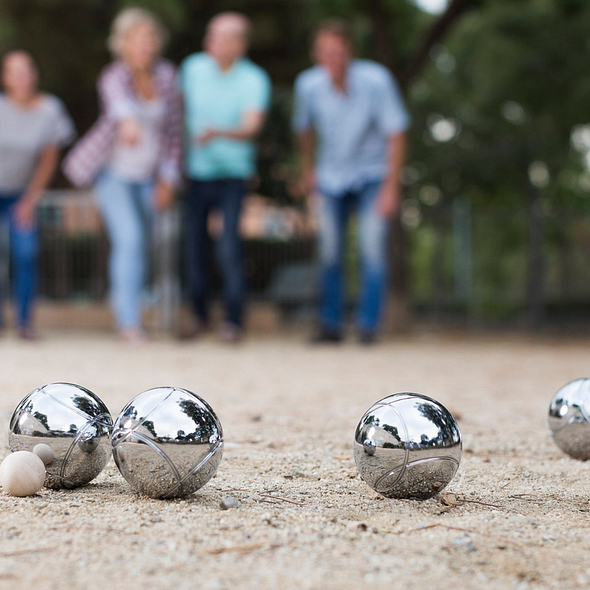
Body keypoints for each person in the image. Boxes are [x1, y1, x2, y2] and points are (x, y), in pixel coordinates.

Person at [64, 8, 182, 343]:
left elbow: (174, 133)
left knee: (145, 244)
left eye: (150, 38)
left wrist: (168, 178)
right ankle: (128, 323)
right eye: (139, 39)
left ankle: (134, 309)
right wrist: (129, 121)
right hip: (113, 173)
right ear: (124, 44)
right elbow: (119, 105)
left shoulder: (168, 76)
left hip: (149, 175)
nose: (146, 45)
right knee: (128, 239)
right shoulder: (113, 75)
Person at [293, 20, 410, 344]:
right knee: (330, 252)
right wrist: (308, 171)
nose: (334, 58)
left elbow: (397, 134)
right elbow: (303, 130)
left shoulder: (376, 81)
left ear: (350, 52)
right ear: (317, 54)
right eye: (327, 52)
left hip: (373, 176)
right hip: (330, 177)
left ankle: (367, 326)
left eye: (340, 51)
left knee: (372, 250)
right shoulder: (308, 85)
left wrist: (391, 186)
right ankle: (330, 325)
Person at [179, 12, 271, 343]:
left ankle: (233, 320)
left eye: (218, 37)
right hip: (196, 173)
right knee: (194, 246)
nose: (210, 42)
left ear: (238, 44)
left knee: (229, 246)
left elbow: (252, 127)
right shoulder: (192, 69)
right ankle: (198, 315)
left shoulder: (254, 79)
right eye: (210, 35)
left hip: (234, 173)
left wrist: (217, 132)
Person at [0, 50, 75, 339]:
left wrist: (31, 199)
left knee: (26, 252)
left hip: (21, 193)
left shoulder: (50, 110)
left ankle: (24, 322)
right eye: (14, 71)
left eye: (27, 70)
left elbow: (48, 159)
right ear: (5, 78)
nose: (22, 77)